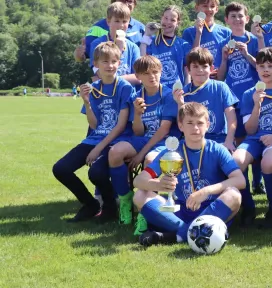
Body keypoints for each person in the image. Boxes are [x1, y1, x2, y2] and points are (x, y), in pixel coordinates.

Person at [134, 102, 245, 247]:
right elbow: (139, 180)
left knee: (234, 195)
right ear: (181, 126)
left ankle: (174, 236)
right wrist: (158, 184)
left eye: (200, 123)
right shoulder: (171, 152)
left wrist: (207, 191)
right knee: (140, 195)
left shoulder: (217, 149)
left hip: (212, 210)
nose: (195, 128)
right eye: (190, 123)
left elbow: (240, 180)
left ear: (208, 125)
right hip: (180, 210)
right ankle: (190, 232)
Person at [52, 42, 135, 223]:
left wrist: (99, 148)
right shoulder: (94, 87)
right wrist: (87, 102)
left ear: (119, 63)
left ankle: (110, 208)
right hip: (96, 138)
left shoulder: (125, 88)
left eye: (114, 61)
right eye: (105, 62)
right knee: (60, 169)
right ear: (96, 64)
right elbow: (95, 124)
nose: (110, 65)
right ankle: (90, 204)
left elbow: (121, 126)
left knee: (96, 173)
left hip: (116, 140)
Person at [106, 56, 179, 228]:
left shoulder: (168, 95)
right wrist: (137, 114)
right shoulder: (137, 97)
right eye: (146, 74)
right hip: (143, 139)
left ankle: (146, 209)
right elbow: (138, 132)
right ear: (138, 76)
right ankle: (125, 200)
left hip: (164, 142)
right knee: (115, 152)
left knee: (150, 160)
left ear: (161, 72)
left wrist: (140, 154)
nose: (152, 76)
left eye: (155, 72)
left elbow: (163, 130)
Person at [232, 47, 272, 228]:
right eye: (261, 66)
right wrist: (256, 106)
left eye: (270, 65)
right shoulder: (248, 94)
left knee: (268, 163)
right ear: (257, 69)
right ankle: (248, 207)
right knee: (236, 161)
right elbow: (250, 130)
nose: (266, 70)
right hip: (254, 139)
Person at [215, 2, 265, 195]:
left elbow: (263, 68)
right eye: (233, 16)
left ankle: (258, 182)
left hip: (253, 96)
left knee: (257, 139)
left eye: (240, 16)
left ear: (247, 18)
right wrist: (225, 59)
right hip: (234, 99)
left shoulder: (254, 39)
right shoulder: (223, 44)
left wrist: (246, 54)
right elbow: (219, 77)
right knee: (240, 140)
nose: (237, 19)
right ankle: (241, 181)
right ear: (226, 20)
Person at [173, 48, 238, 153]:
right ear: (188, 70)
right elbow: (182, 124)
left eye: (204, 66)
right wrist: (180, 103)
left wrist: (229, 141)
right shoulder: (184, 92)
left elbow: (232, 119)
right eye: (195, 66)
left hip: (219, 139)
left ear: (212, 68)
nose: (200, 70)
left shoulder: (220, 87)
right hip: (194, 139)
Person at [74, 0, 145, 62]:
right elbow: (86, 56)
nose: (126, 4)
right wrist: (78, 56)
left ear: (134, 4)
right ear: (113, 2)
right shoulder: (97, 28)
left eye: (130, 1)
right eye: (122, 0)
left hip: (134, 73)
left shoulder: (141, 28)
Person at [140, 5, 194, 88]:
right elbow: (142, 61)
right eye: (166, 18)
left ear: (177, 24)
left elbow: (187, 73)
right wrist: (147, 34)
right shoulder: (150, 42)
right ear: (161, 18)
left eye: (172, 20)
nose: (168, 22)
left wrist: (186, 91)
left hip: (177, 91)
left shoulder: (183, 44)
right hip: (156, 91)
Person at [89, 2, 141, 85]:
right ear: (108, 22)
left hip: (127, 95)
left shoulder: (133, 47)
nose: (121, 25)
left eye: (124, 21)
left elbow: (139, 77)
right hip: (106, 94)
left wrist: (110, 78)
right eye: (117, 21)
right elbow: (99, 73)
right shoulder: (97, 44)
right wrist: (119, 49)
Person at [181, 0, 230, 67]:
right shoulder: (188, 32)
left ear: (216, 9)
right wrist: (198, 33)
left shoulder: (226, 32)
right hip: (200, 75)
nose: (209, 9)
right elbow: (190, 59)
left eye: (212, 6)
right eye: (205, 6)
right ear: (196, 8)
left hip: (221, 76)